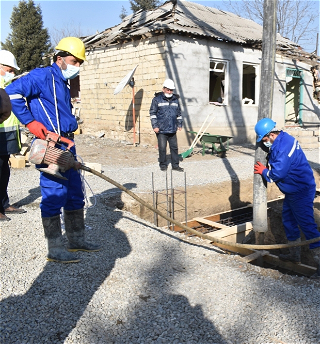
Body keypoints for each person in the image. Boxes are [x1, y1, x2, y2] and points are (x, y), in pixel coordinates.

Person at [5, 37, 100, 263]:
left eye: (80, 63)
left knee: (75, 193)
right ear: (59, 59)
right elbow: (11, 93)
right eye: (74, 61)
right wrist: (30, 123)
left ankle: (76, 240)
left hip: (67, 142)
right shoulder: (42, 76)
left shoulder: (63, 83)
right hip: (51, 146)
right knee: (54, 194)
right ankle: (55, 247)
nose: (77, 66)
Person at [254, 118, 320, 278]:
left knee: (308, 226)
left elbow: (277, 174)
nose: (263, 143)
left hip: (300, 191)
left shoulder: (282, 149)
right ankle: (294, 255)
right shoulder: (284, 138)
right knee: (289, 221)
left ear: (270, 135)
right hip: (294, 190)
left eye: (264, 139)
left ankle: (319, 263)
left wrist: (263, 171)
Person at [0, 50, 26, 221]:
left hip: (7, 133)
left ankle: (4, 203)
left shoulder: (7, 86)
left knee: (4, 170)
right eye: (9, 69)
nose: (12, 73)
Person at [150, 79, 183, 172]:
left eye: (171, 90)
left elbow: (179, 113)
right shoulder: (157, 100)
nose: (169, 92)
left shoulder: (176, 100)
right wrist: (155, 126)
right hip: (161, 129)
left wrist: (179, 124)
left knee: (174, 148)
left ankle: (175, 166)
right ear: (163, 89)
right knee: (162, 148)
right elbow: (153, 113)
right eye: (168, 90)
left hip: (172, 129)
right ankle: (163, 165)